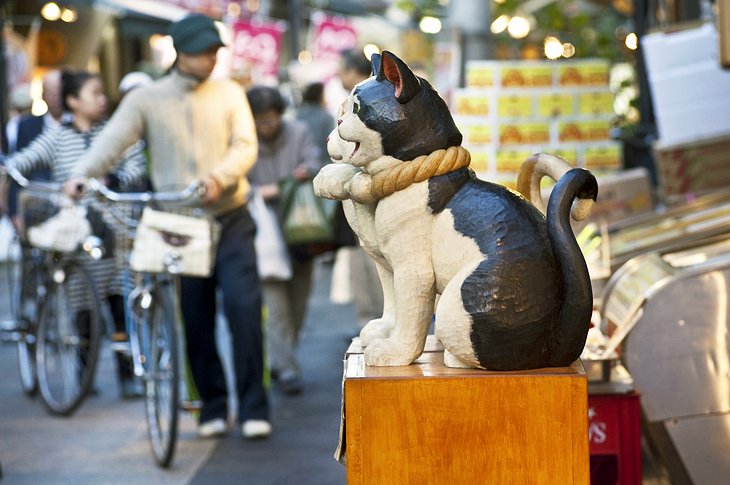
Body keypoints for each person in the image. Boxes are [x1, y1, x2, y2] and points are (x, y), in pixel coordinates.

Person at [63, 14, 269, 440]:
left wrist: (219, 178)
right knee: (194, 316)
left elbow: (246, 147)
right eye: (203, 52)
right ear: (180, 53)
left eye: (215, 51)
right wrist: (81, 174)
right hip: (178, 223)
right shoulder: (147, 98)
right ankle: (212, 405)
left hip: (230, 216)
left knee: (243, 309)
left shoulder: (230, 92)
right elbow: (111, 141)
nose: (212, 59)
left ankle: (253, 406)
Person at [2, 69, 147, 399]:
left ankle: (127, 374)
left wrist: (113, 182)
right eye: (94, 94)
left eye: (102, 93)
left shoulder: (115, 132)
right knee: (82, 309)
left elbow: (136, 164)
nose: (102, 99)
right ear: (73, 101)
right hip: (75, 236)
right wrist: (6, 167)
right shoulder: (57, 136)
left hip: (115, 231)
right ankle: (84, 372)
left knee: (120, 304)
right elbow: (24, 160)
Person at [246, 85, 323, 395]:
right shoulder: (243, 141)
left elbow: (316, 163)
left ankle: (279, 357)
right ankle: (287, 369)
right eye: (259, 121)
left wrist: (306, 172)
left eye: (271, 119)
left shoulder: (299, 131)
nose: (266, 126)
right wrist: (261, 191)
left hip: (299, 233)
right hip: (262, 237)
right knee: (276, 307)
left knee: (298, 304)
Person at [336, 48, 385, 330]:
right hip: (362, 189)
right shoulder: (357, 98)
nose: (340, 76)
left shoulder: (363, 100)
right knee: (366, 260)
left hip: (372, 189)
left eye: (343, 70)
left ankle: (377, 318)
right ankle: (371, 320)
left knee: (375, 258)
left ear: (355, 72)